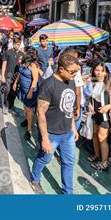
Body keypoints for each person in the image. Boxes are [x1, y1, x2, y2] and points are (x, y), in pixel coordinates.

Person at [30, 54, 79, 195]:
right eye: (72, 72)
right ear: (61, 69)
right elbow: (40, 113)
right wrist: (45, 139)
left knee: (69, 163)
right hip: (51, 134)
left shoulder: (71, 81)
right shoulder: (48, 85)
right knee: (44, 158)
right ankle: (35, 179)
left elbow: (69, 108)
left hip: (68, 134)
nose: (75, 75)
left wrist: (73, 128)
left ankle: (67, 193)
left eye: (76, 72)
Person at [87, 63, 111, 172]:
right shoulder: (93, 82)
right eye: (97, 70)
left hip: (105, 115)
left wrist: (107, 107)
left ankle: (104, 163)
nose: (99, 73)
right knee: (95, 135)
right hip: (95, 113)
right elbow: (90, 96)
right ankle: (97, 155)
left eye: (102, 70)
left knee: (102, 138)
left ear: (106, 72)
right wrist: (89, 104)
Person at [13, 46, 40, 140]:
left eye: (24, 52)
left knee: (29, 110)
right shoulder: (23, 61)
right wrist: (16, 82)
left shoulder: (33, 65)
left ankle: (29, 130)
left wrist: (30, 91)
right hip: (23, 89)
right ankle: (27, 119)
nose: (22, 52)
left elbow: (35, 79)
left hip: (30, 90)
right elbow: (19, 73)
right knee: (24, 107)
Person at [1, 36, 25, 114]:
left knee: (13, 93)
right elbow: (4, 64)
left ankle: (11, 106)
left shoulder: (22, 54)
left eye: (18, 44)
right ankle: (5, 106)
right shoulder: (7, 52)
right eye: (15, 44)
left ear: (20, 44)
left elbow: (23, 66)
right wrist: (2, 76)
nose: (16, 45)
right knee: (7, 91)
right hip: (8, 75)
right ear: (13, 43)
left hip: (17, 77)